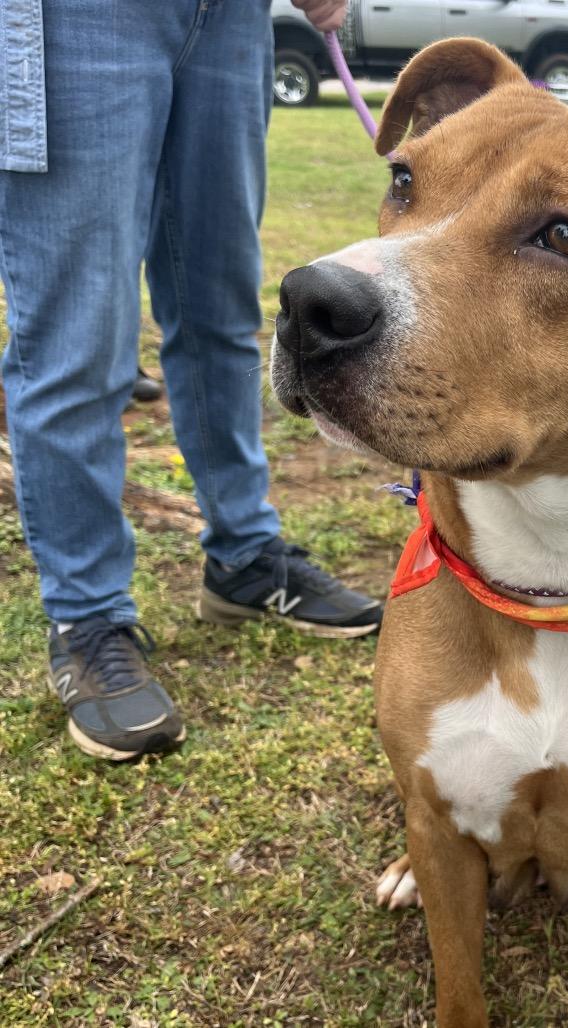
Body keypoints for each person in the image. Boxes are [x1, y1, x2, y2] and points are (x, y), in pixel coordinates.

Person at [0, 0, 383, 763]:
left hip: (229, 17)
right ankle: (87, 619)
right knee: (79, 338)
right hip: (75, 18)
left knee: (221, 311)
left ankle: (244, 559)